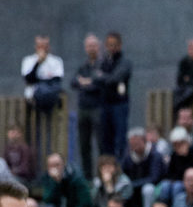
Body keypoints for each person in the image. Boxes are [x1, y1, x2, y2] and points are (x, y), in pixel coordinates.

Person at [21, 35, 65, 162]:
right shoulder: (29, 60)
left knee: (51, 135)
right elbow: (29, 79)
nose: (43, 49)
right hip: (32, 102)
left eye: (45, 46)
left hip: (51, 102)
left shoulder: (56, 61)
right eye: (40, 46)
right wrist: (38, 63)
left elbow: (56, 80)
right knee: (34, 134)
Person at [71, 34, 104, 178]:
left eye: (94, 45)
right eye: (89, 46)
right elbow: (73, 82)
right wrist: (88, 82)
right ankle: (88, 176)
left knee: (101, 143)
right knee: (84, 144)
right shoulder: (83, 66)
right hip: (83, 108)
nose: (91, 48)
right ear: (85, 48)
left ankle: (103, 174)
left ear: (99, 46)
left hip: (98, 108)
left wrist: (86, 83)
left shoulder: (103, 64)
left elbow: (100, 83)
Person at [98, 32, 132, 159]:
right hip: (105, 104)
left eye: (114, 45)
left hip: (119, 104)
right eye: (109, 45)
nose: (111, 48)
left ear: (120, 45)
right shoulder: (104, 62)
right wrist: (103, 78)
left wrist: (103, 78)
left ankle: (120, 166)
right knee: (105, 138)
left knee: (120, 138)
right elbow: (95, 78)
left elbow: (116, 78)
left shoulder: (125, 62)